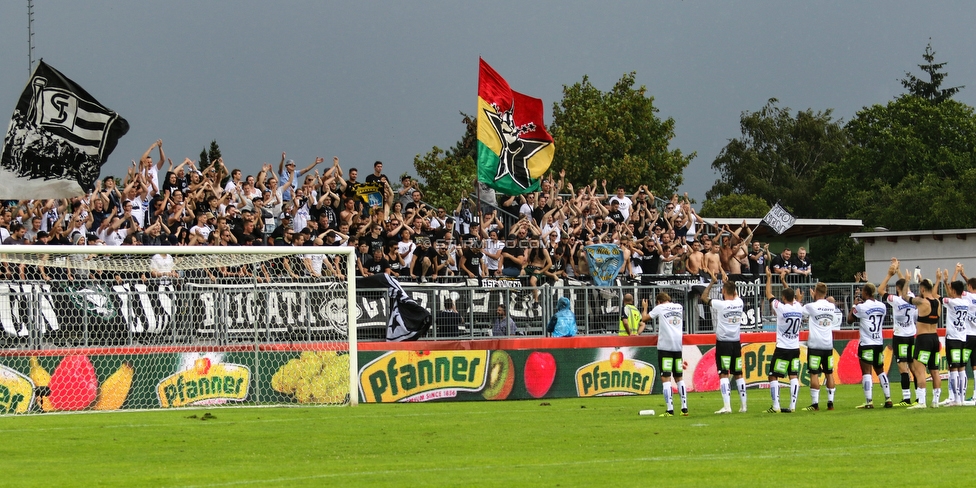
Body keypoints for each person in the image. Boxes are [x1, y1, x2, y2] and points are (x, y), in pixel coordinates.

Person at [701, 269, 747, 414]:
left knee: (723, 373)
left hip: (723, 343)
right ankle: (743, 406)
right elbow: (734, 293)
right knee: (738, 373)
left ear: (723, 291)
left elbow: (704, 297)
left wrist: (711, 283)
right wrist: (728, 282)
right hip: (736, 343)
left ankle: (727, 407)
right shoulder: (740, 302)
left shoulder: (721, 304)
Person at [764, 265, 804, 413]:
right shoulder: (799, 307)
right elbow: (792, 297)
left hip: (782, 348)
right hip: (795, 348)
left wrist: (769, 277)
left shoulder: (781, 307)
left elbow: (768, 294)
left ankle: (776, 406)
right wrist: (784, 281)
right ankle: (793, 406)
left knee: (773, 376)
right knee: (793, 376)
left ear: (783, 298)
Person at [847, 280, 892, 409]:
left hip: (866, 343)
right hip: (878, 342)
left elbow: (850, 320)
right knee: (880, 371)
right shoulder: (882, 306)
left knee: (867, 372)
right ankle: (888, 399)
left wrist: (854, 306)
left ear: (865, 292)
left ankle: (869, 401)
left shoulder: (861, 307)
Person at [879, 258, 919, 406]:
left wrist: (890, 274)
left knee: (903, 368)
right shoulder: (912, 298)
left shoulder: (895, 300)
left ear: (897, 288)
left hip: (900, 336)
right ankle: (918, 397)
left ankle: (906, 398)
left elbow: (880, 290)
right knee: (913, 367)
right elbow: (905, 285)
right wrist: (899, 271)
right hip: (911, 336)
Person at [902, 272, 944, 409]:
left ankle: (921, 402)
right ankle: (936, 401)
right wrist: (923, 281)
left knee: (919, 370)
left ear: (922, 289)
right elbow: (929, 293)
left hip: (923, 338)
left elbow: (904, 296)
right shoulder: (937, 302)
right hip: (934, 338)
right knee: (935, 370)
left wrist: (907, 281)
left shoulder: (921, 302)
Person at [802, 282, 839, 411]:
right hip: (828, 345)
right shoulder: (831, 307)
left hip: (815, 344)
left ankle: (815, 404)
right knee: (829, 373)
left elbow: (801, 312)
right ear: (826, 293)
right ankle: (830, 403)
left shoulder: (811, 306)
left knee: (814, 374)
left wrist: (813, 299)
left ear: (815, 292)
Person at [649, 292, 687, 417]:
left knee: (666, 378)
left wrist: (644, 308)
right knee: (679, 378)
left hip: (665, 347)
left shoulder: (659, 307)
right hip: (678, 346)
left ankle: (670, 409)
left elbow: (645, 318)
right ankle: (684, 408)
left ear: (658, 301)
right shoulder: (679, 307)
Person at [939, 272, 969, 407]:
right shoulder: (966, 303)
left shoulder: (950, 302)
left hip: (953, 338)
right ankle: (961, 398)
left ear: (954, 290)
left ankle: (956, 399)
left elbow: (938, 297)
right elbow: (952, 296)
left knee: (953, 369)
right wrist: (946, 283)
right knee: (962, 368)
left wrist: (942, 281)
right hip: (963, 338)